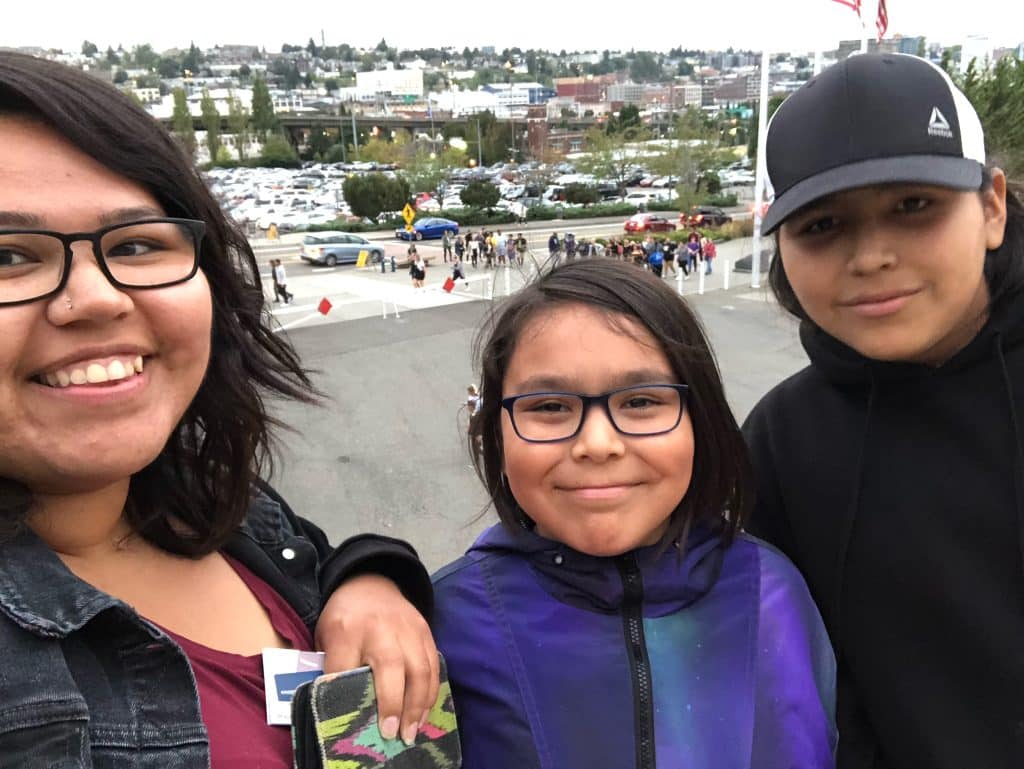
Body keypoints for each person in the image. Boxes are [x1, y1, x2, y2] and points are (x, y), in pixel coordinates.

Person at [0, 52, 440, 765]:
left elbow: (313, 556)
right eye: (8, 258)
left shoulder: (215, 499)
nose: (99, 298)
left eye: (136, 244)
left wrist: (366, 582)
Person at [433, 260, 837, 768]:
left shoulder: (773, 593)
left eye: (642, 401)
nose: (598, 443)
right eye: (550, 406)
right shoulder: (443, 625)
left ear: (701, 419)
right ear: (495, 430)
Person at [742, 53, 1024, 769]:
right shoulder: (780, 443)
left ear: (992, 207)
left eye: (912, 206)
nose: (869, 257)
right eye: (822, 225)